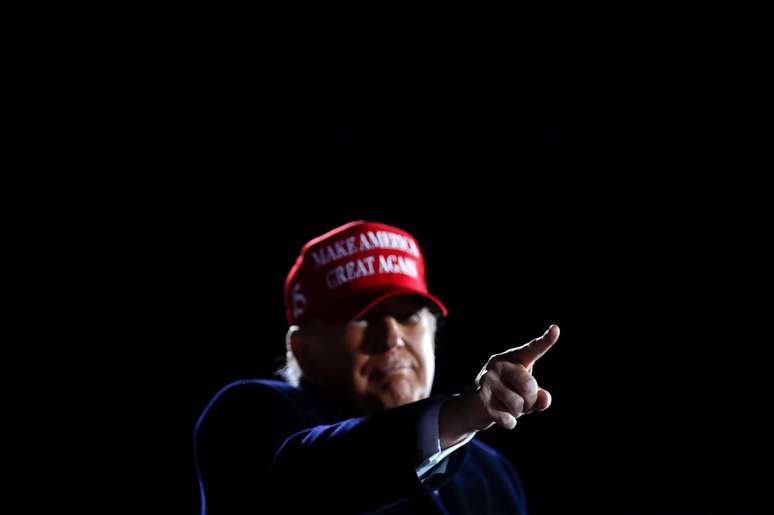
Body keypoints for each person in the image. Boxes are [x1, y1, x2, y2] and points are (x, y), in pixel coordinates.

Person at [194, 220, 559, 514]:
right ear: (303, 349)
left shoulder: (491, 473)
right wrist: (462, 414)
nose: (392, 337)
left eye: (411, 316)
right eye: (363, 318)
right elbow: (305, 481)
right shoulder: (248, 413)